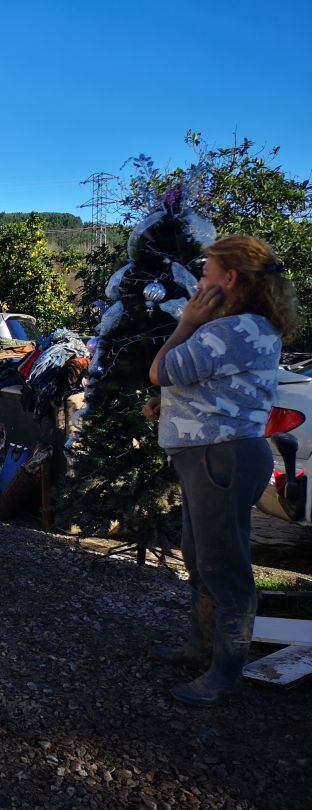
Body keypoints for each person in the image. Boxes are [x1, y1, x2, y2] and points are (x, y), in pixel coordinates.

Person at [145, 235, 299, 707]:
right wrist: (167, 407)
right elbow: (207, 386)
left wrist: (186, 323)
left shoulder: (230, 329)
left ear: (229, 278)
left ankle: (223, 672)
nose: (199, 282)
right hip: (216, 455)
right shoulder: (244, 327)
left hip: (222, 457)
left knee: (223, 567)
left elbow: (163, 369)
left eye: (206, 272)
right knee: (200, 557)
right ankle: (202, 648)